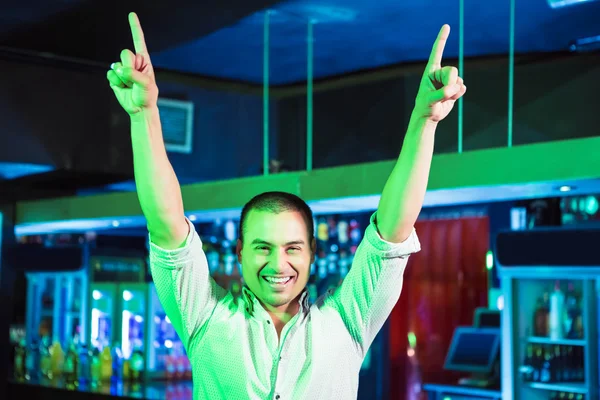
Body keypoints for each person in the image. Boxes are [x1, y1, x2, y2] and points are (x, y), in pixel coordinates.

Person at [106, 12, 466, 400]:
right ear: (241, 252)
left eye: (293, 248)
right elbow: (166, 223)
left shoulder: (348, 321)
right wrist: (144, 114)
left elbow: (393, 229)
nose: (278, 264)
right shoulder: (205, 318)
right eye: (263, 247)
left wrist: (424, 120)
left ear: (313, 253)